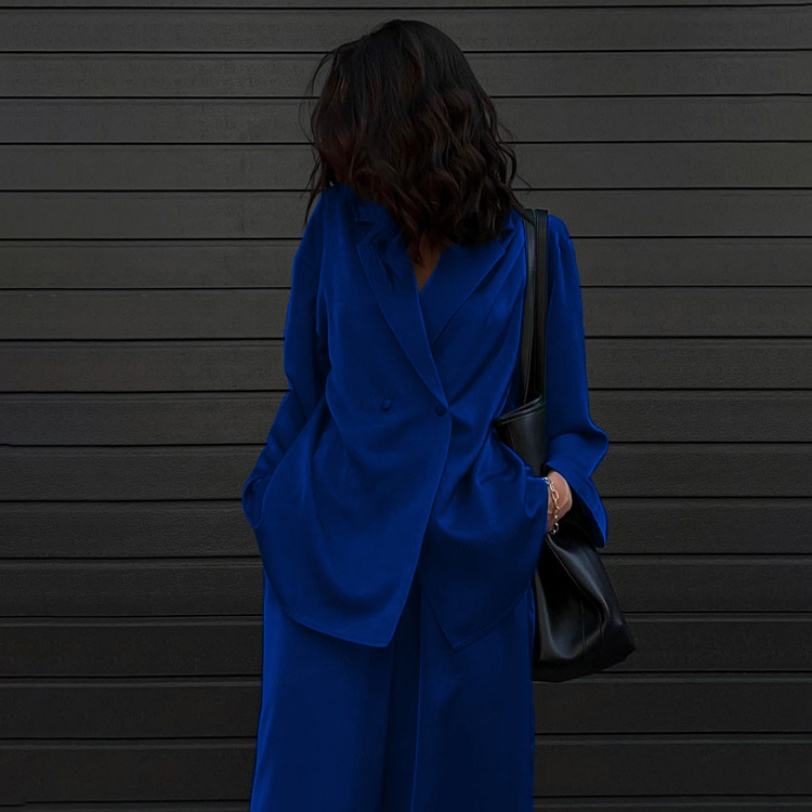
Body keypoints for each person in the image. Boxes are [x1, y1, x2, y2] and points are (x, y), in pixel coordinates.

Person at [240, 18, 609, 812]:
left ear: (412, 123)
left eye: (354, 119)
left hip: (471, 570)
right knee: (314, 790)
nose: (339, 142)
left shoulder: (534, 247)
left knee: (462, 790)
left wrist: (543, 500)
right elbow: (306, 390)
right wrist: (271, 503)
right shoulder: (337, 229)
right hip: (331, 561)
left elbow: (572, 424)